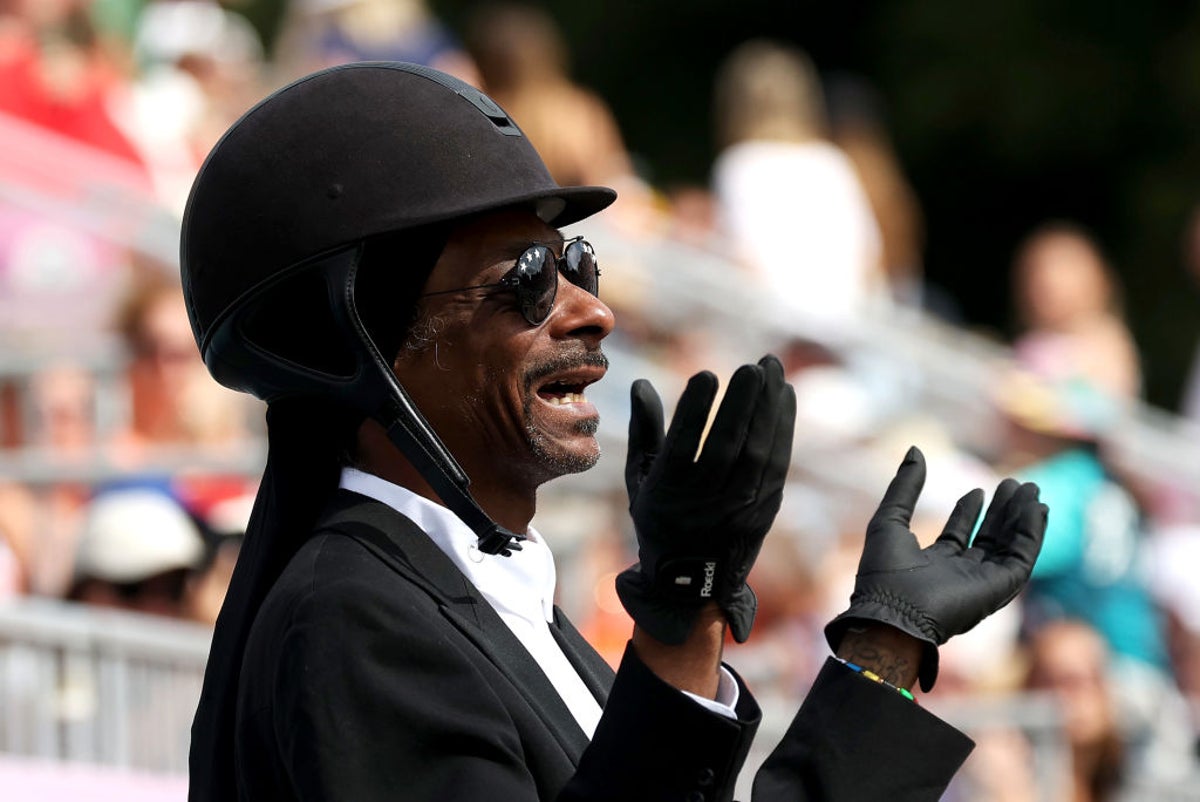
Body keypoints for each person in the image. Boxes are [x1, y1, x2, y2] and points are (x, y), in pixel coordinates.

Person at [181, 62, 1048, 801]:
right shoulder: (350, 617)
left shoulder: (484, 595)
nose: (592, 310)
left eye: (575, 263)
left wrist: (884, 646)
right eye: (525, 278)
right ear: (358, 337)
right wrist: (680, 623)